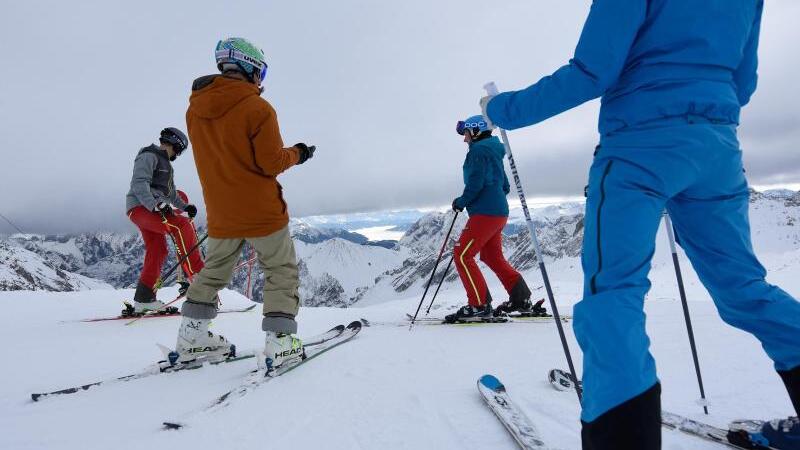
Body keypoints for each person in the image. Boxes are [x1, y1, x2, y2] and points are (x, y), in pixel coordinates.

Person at [481, 1, 800, 448]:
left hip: (639, 147)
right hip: (716, 148)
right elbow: (743, 82)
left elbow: (593, 71)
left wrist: (502, 109)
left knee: (615, 296)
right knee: (745, 287)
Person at [171, 37, 315, 371]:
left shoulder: (195, 110)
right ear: (249, 68)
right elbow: (271, 162)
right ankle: (280, 341)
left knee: (214, 272)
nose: (261, 81)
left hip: (221, 210)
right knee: (280, 270)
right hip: (261, 209)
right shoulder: (258, 108)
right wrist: (299, 153)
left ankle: (192, 337)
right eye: (261, 73)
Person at [444, 115, 533, 324]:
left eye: (465, 133)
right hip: (499, 213)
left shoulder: (478, 151)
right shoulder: (493, 151)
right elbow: (505, 186)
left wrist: (462, 201)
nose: (464, 139)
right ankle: (521, 299)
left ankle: (479, 305)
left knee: (462, 255)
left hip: (485, 214)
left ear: (475, 131)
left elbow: (476, 183)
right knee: (492, 257)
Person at [125, 128, 203, 316]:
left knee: (158, 250)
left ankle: (144, 299)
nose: (179, 153)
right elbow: (139, 183)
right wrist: (155, 205)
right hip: (141, 208)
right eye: (180, 149)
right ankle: (198, 278)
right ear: (175, 143)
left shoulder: (166, 164)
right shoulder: (148, 156)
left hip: (150, 209)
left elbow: (171, 194)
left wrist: (185, 207)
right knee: (181, 226)